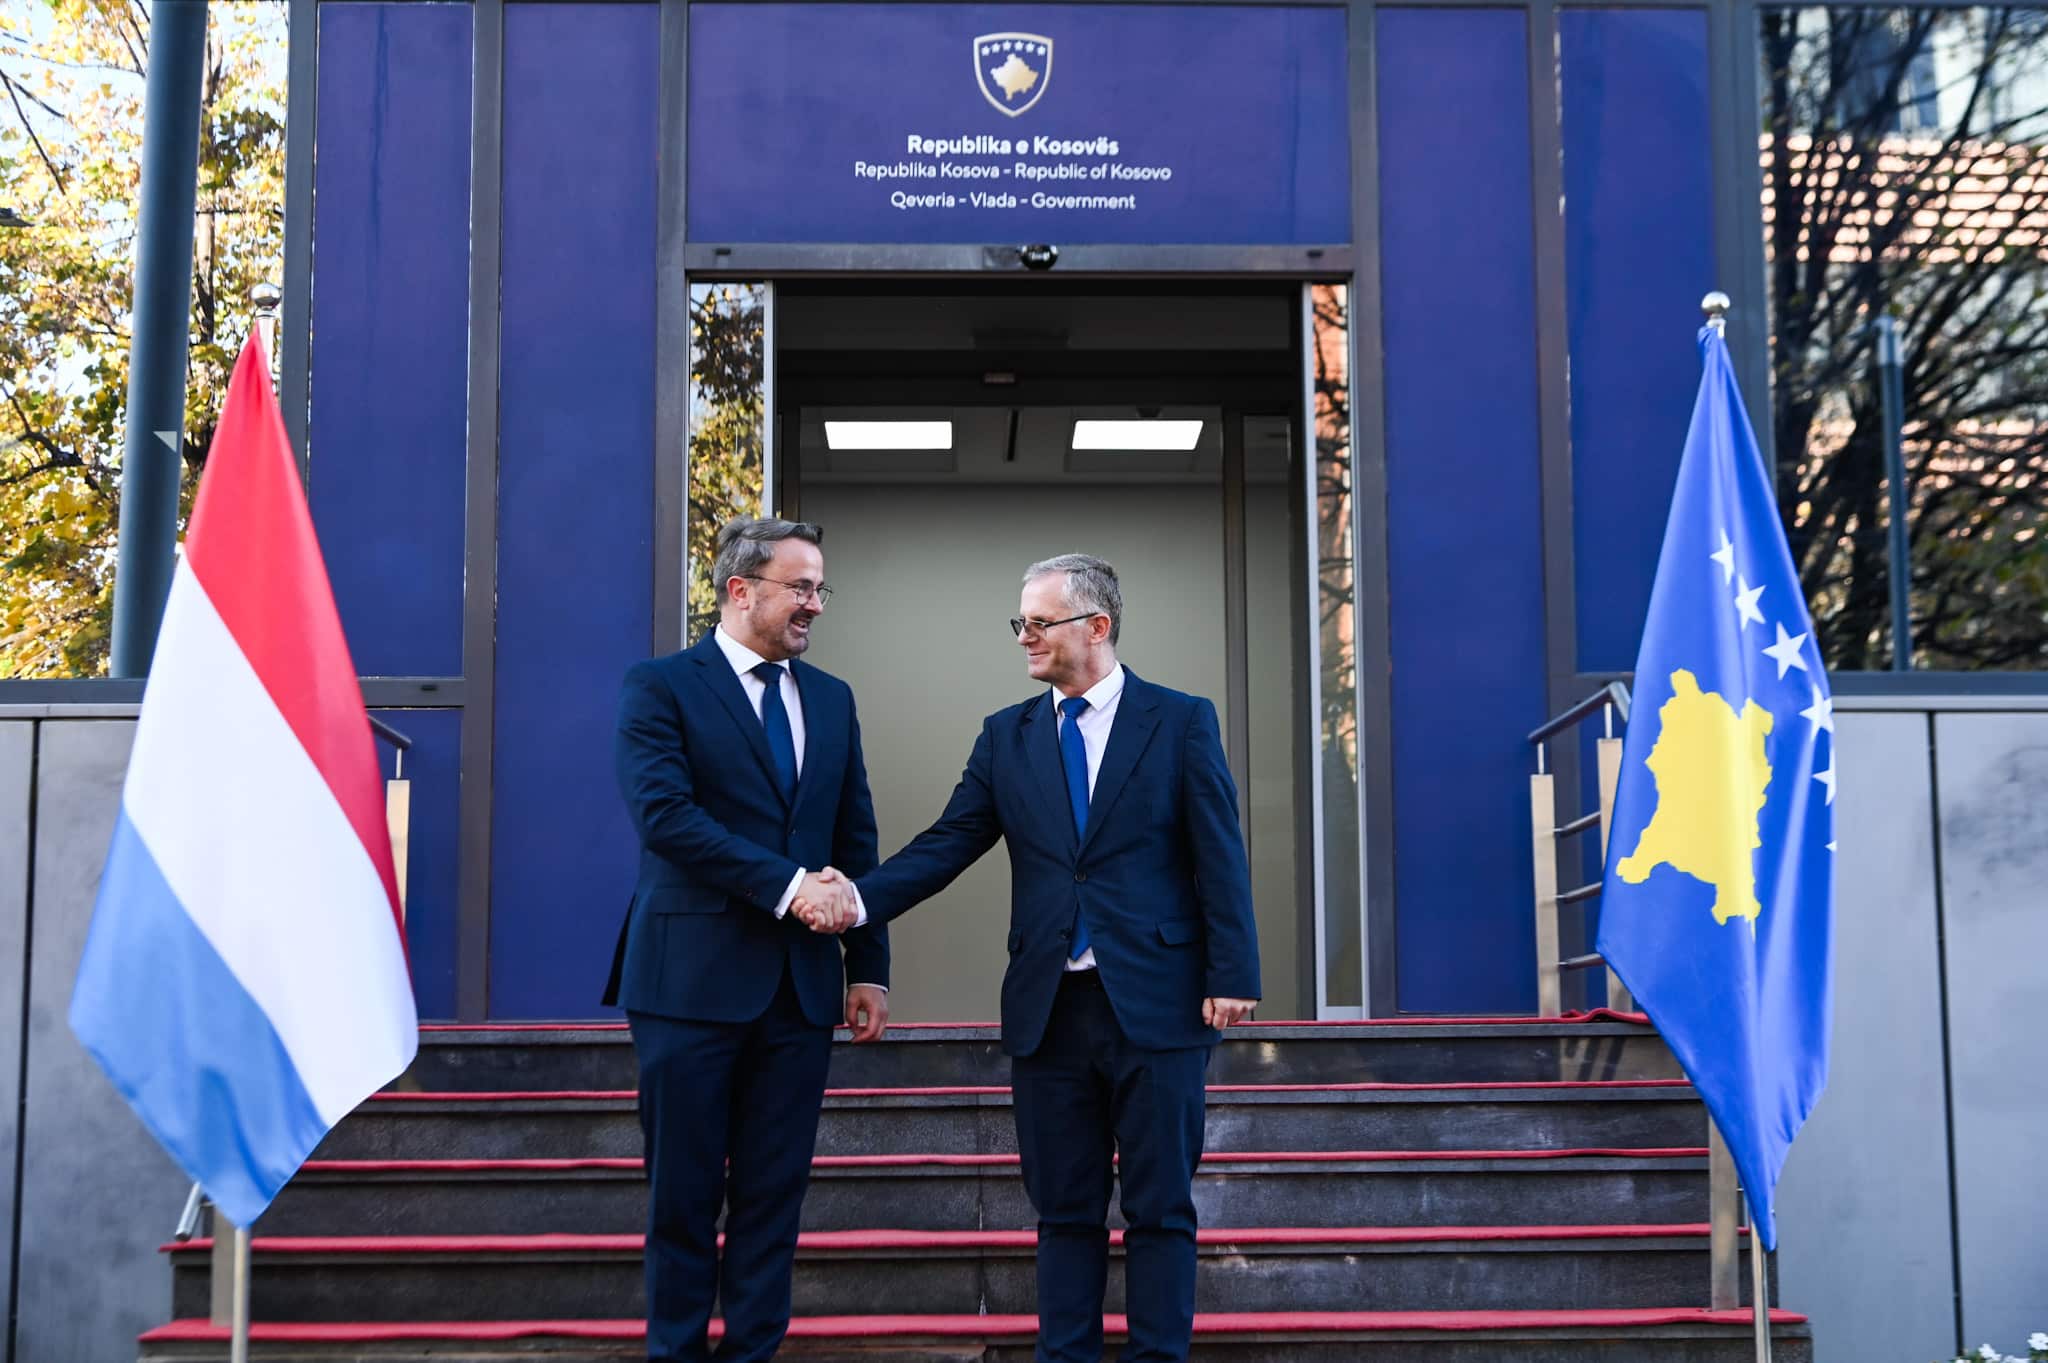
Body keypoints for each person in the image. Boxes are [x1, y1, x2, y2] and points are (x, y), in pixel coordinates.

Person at [796, 552, 1259, 1363]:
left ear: (1098, 626)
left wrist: (1233, 971)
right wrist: (857, 901)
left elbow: (1218, 852)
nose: (1024, 637)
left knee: (1160, 1206)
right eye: (1021, 622)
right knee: (1063, 1208)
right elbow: (947, 843)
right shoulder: (1005, 736)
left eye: (1040, 623)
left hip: (1160, 1003)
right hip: (1049, 1010)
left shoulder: (1181, 720)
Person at [606, 516, 887, 1363]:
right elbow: (666, 818)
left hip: (799, 992)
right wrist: (791, 886)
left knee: (774, 1196)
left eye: (820, 588)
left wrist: (868, 967)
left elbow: (855, 835)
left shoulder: (832, 698)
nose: (816, 604)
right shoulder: (660, 686)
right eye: (801, 587)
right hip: (687, 985)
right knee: (683, 1196)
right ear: (740, 589)